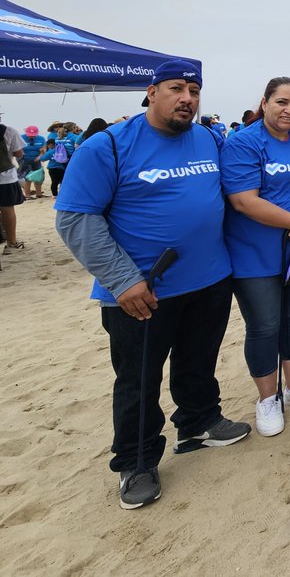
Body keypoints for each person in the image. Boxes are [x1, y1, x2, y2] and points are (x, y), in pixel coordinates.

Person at [54, 60, 250, 510]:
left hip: (209, 280)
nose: (187, 98)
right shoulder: (108, 147)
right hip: (142, 291)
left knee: (198, 360)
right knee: (138, 379)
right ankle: (137, 461)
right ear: (152, 91)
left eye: (195, 90)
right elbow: (75, 219)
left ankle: (199, 421)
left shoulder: (208, 138)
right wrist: (123, 280)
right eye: (177, 88)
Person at [221, 77, 290, 438]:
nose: (289, 110)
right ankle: (267, 398)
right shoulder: (243, 142)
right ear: (265, 102)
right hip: (254, 253)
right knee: (265, 325)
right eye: (281, 102)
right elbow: (243, 200)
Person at [0, 120, 26, 251]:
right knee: (7, 209)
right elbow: (19, 153)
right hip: (5, 178)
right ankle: (11, 243)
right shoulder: (8, 131)